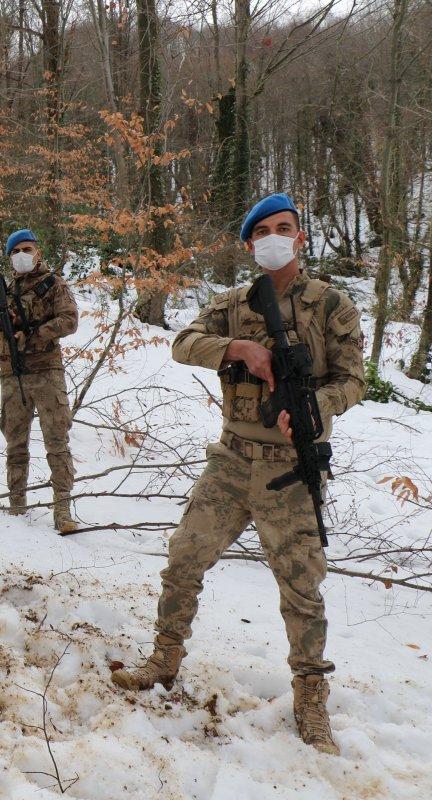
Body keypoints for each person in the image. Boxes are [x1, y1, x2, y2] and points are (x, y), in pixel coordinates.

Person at [110, 193, 365, 756]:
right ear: (251, 245)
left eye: (286, 228)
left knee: (302, 590)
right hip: (230, 461)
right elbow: (182, 343)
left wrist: (318, 407)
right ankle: (164, 660)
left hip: (289, 470)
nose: (275, 237)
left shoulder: (331, 306)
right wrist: (238, 349)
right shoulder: (231, 302)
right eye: (263, 231)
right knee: (184, 560)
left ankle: (311, 701)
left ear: (300, 237)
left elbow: (355, 380)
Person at [0, 229, 79, 532]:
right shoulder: (3, 294)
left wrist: (32, 334)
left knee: (57, 443)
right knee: (15, 445)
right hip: (12, 376)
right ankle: (17, 507)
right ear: (9, 257)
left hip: (46, 373)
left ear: (38, 252)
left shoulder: (54, 285)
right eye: (16, 250)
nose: (22, 254)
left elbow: (69, 320)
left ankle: (62, 510)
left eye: (27, 249)